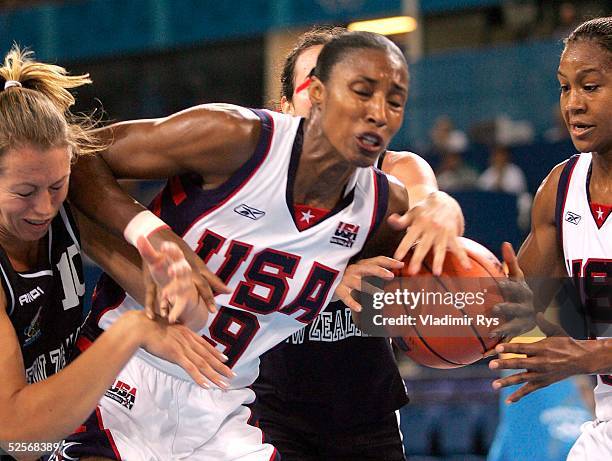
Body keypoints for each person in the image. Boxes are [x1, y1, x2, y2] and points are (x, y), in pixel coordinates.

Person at [0, 47, 231, 461]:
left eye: (57, 185)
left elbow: (185, 317)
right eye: (24, 193)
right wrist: (132, 331)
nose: (44, 207)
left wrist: (174, 286)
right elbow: (18, 441)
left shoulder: (69, 214)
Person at [251, 26, 466, 461]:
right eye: (315, 82)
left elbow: (428, 199)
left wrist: (442, 208)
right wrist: (328, 278)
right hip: (266, 406)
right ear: (285, 106)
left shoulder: (394, 167)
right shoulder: (251, 173)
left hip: (367, 411)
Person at [488, 17, 612, 460]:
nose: (573, 104)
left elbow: (583, 353)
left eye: (591, 87)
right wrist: (395, 307)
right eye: (565, 88)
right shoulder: (559, 192)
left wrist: (583, 356)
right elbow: (513, 310)